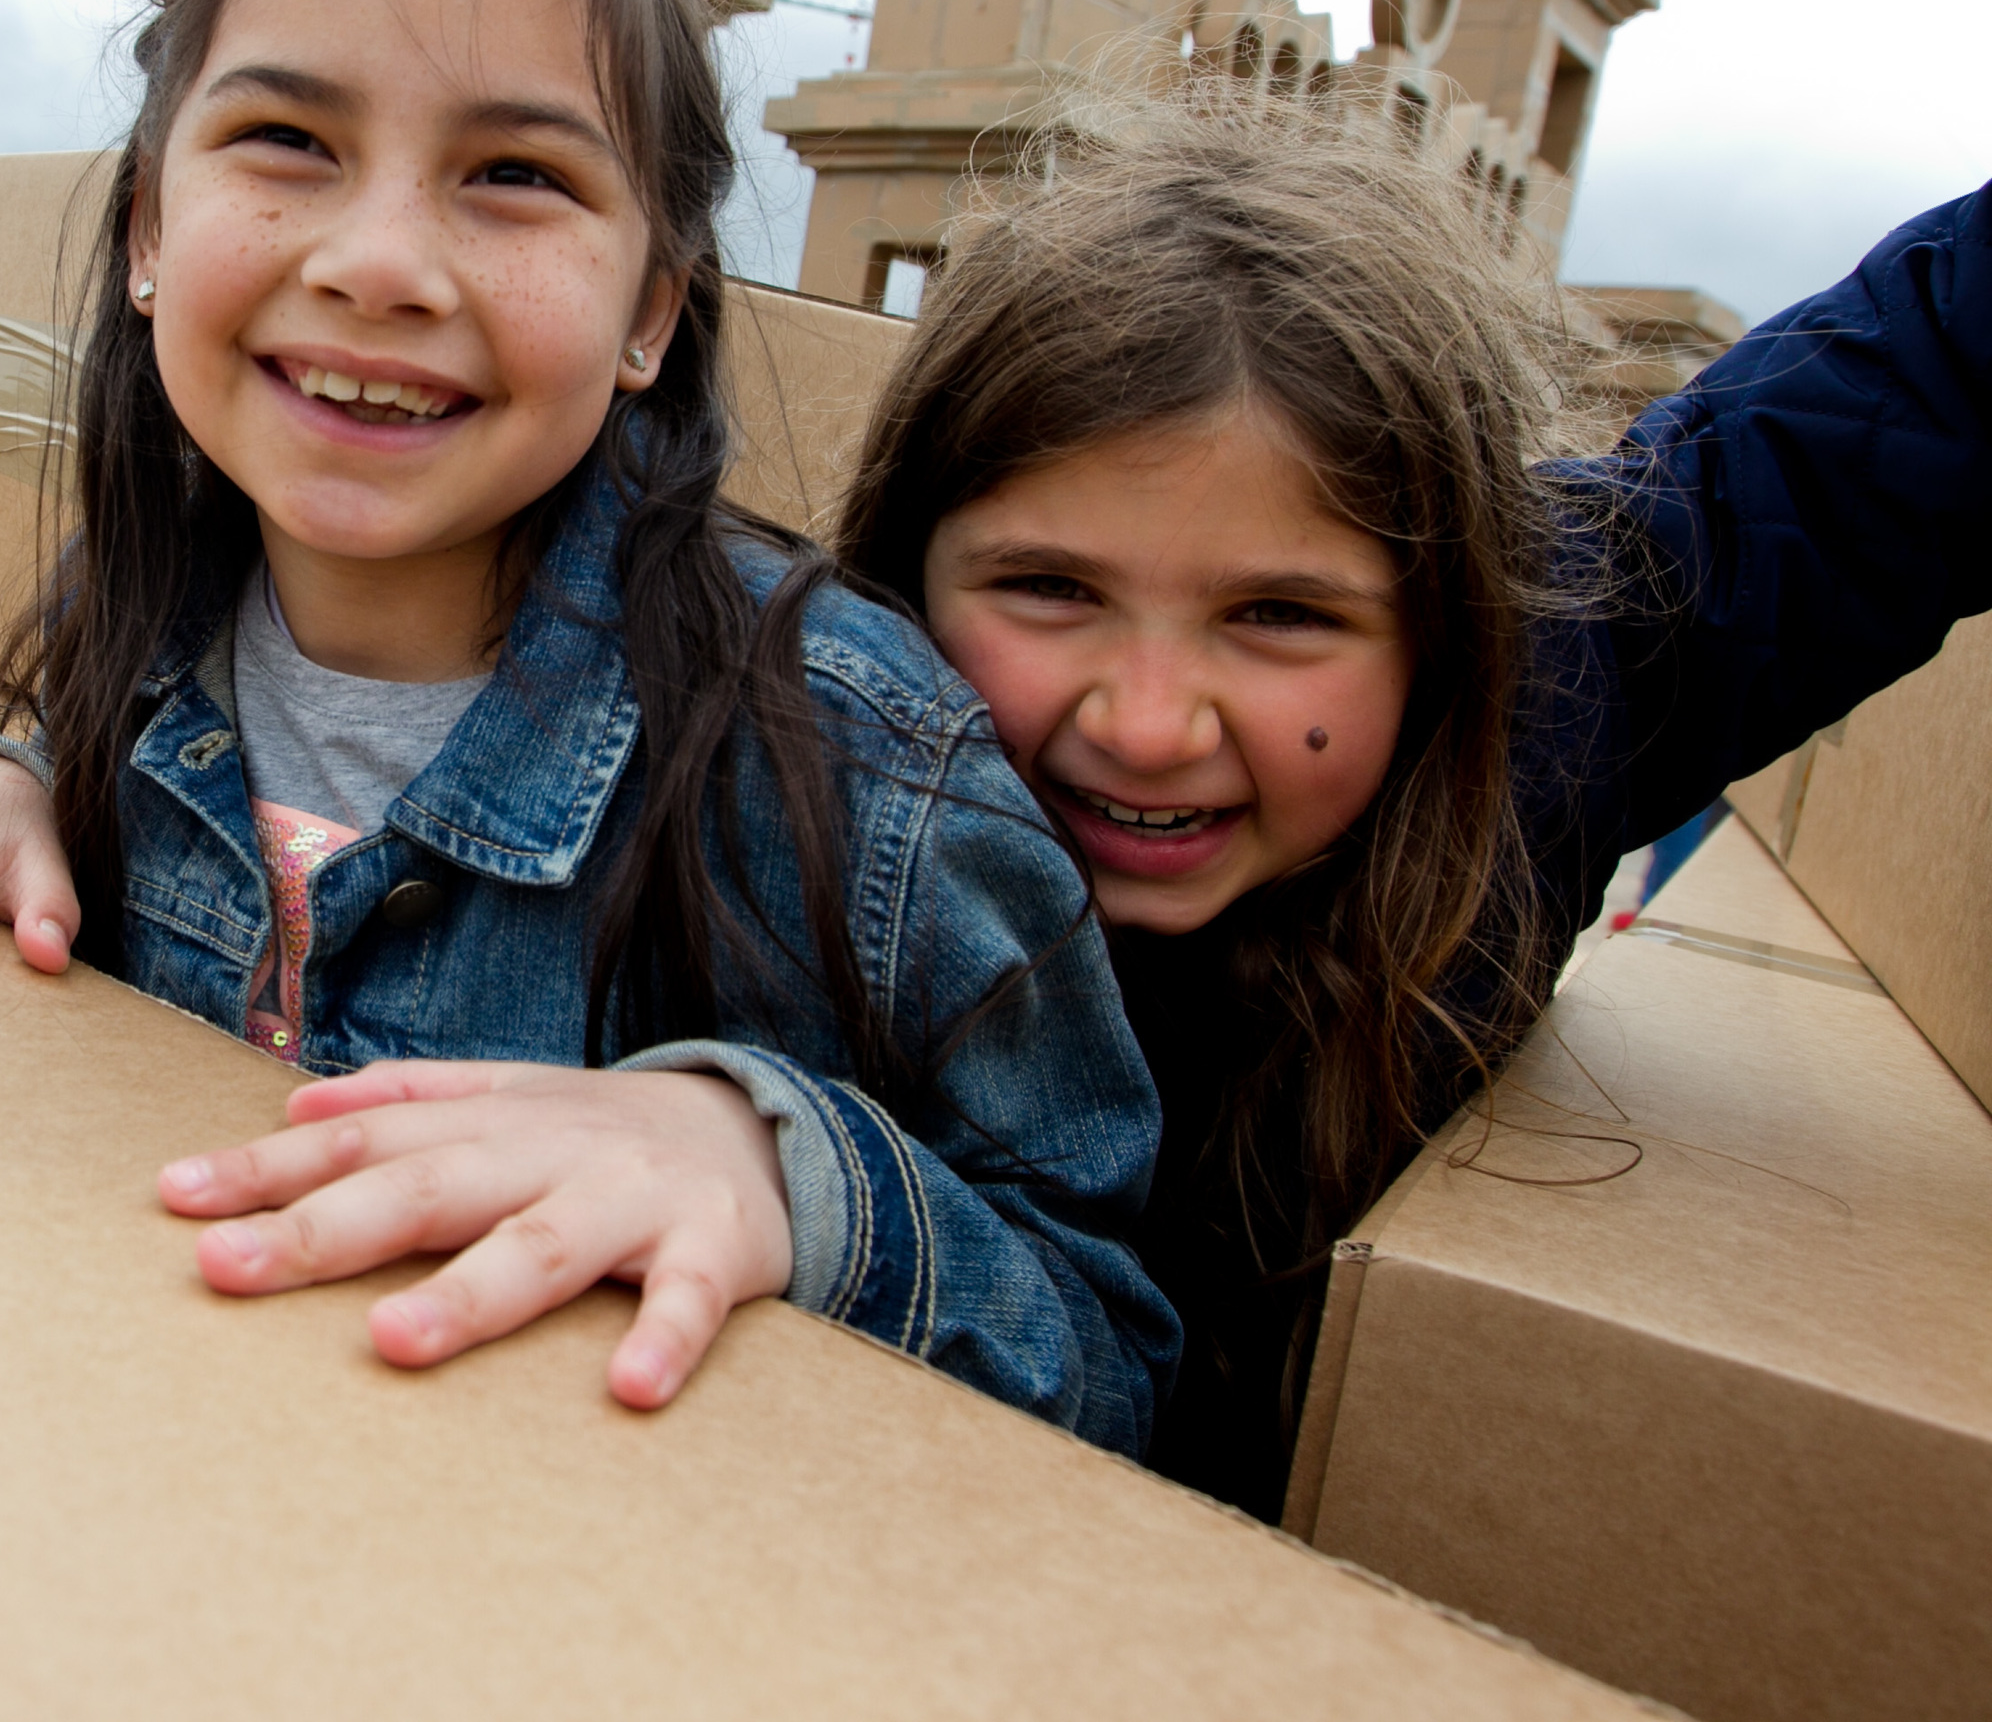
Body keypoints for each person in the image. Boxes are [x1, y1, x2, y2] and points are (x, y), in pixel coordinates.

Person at [0, 0, 1181, 1447]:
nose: (381, 260)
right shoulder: (137, 642)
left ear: (652, 311)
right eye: (288, 143)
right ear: (145, 229)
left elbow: (1119, 1348)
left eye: (514, 174)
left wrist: (776, 1163)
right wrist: (6, 789)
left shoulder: (854, 757)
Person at [827, 83, 1992, 1519]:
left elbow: (1920, 389)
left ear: (1448, 629)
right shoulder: (797, 802)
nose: (1144, 724)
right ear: (900, 570)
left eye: (1278, 615)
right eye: (1051, 589)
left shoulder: (1564, 681)